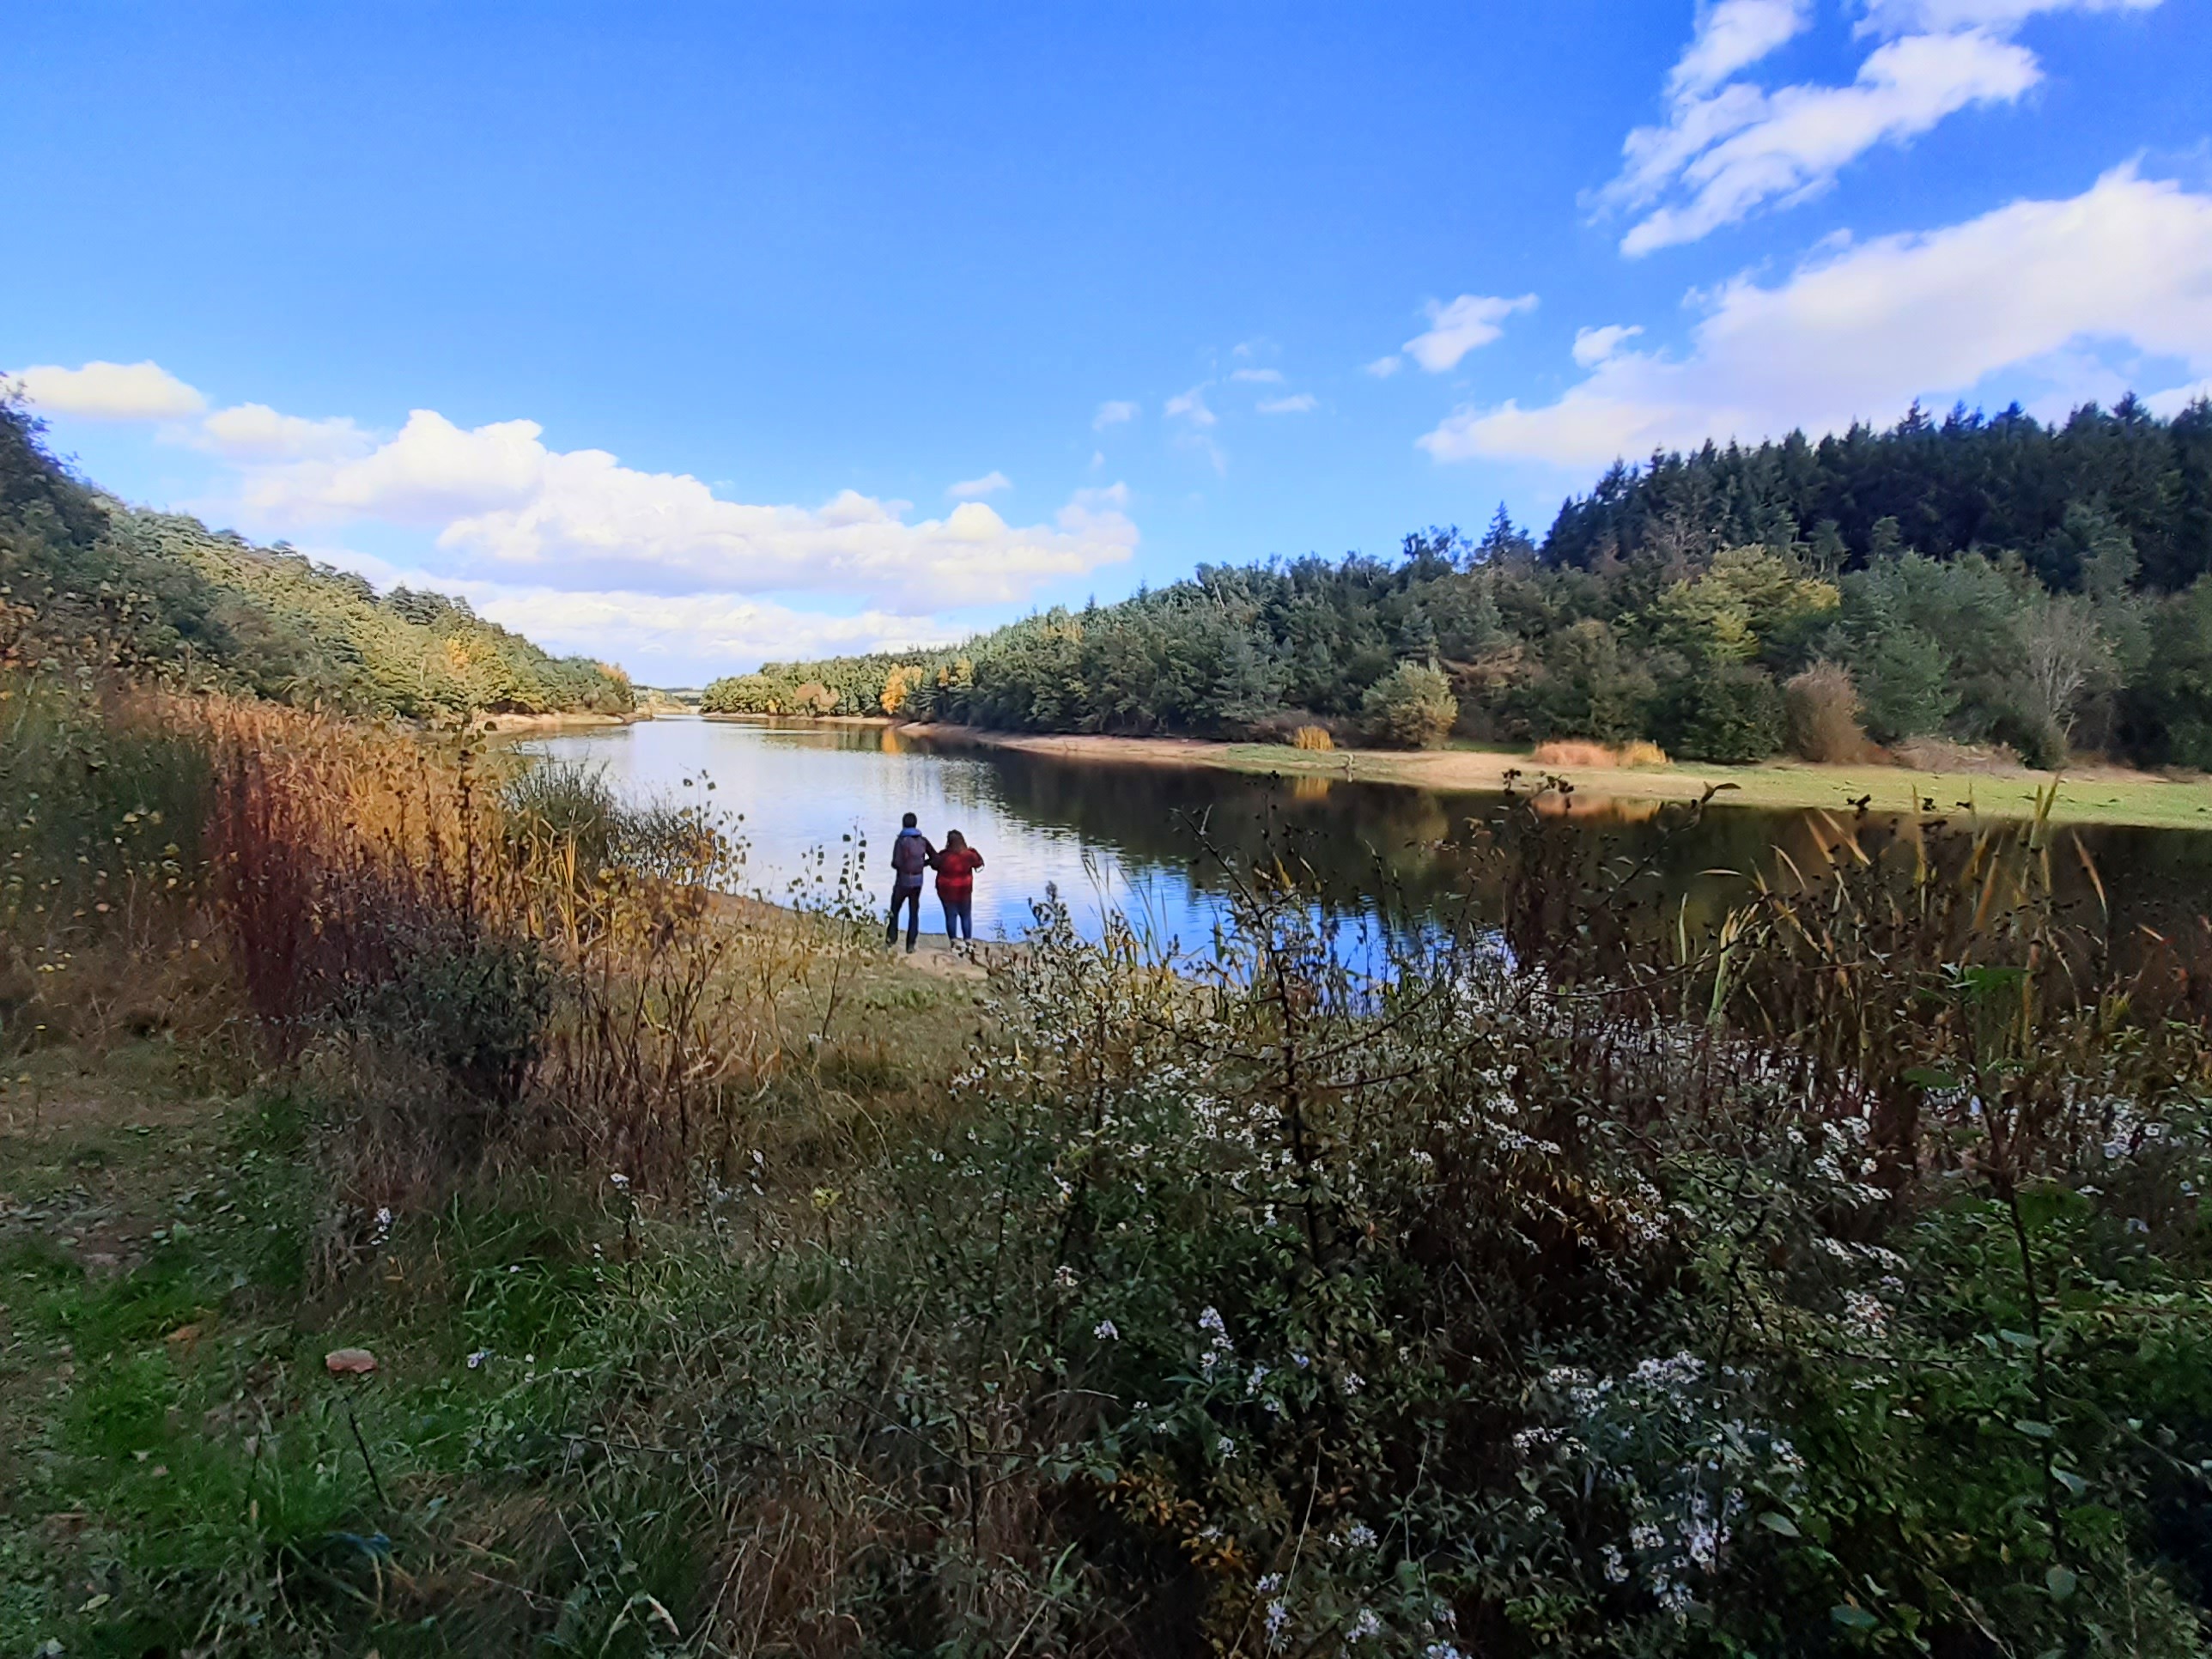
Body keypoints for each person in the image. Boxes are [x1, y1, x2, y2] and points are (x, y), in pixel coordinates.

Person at [886, 811, 934, 951]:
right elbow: (935, 858)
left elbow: (896, 863)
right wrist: (922, 864)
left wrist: (902, 867)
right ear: (915, 824)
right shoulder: (923, 841)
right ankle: (911, 945)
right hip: (918, 882)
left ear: (903, 824)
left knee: (894, 910)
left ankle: (891, 939)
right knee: (914, 912)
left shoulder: (900, 841)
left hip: (903, 881)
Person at [931, 829, 985, 942]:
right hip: (964, 891)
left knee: (950, 916)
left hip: (946, 892)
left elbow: (934, 865)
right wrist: (973, 850)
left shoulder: (944, 856)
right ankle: (968, 941)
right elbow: (979, 863)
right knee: (966, 916)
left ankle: (954, 942)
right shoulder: (969, 855)